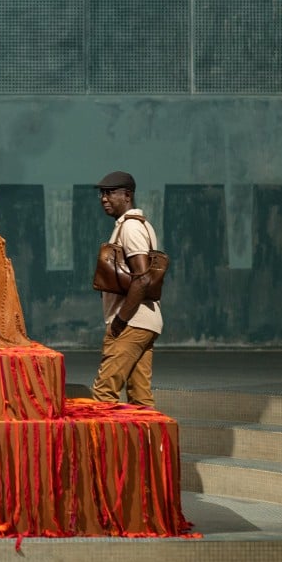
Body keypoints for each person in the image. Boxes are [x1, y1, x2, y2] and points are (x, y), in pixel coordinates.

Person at [90, 170, 163, 408]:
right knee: (140, 400)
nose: (104, 198)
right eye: (102, 193)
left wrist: (120, 321)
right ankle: (150, 446)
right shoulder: (140, 225)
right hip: (145, 321)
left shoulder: (131, 227)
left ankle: (104, 446)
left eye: (110, 193)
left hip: (132, 322)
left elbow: (142, 278)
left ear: (127, 195)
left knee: (104, 394)